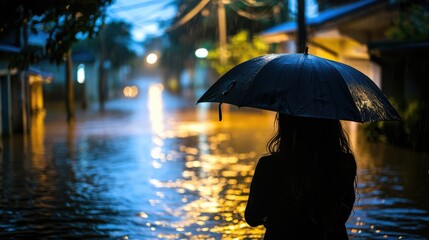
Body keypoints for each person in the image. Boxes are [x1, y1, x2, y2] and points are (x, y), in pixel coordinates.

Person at [245, 113, 357, 239]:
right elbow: (343, 214)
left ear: (286, 123)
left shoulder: (269, 166)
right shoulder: (345, 164)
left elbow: (252, 218)